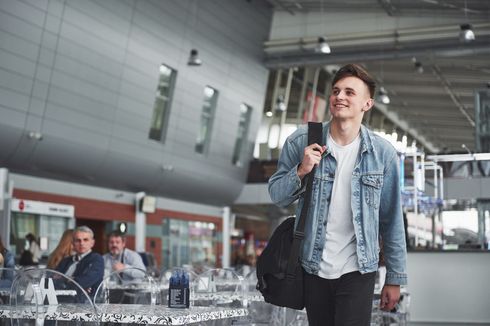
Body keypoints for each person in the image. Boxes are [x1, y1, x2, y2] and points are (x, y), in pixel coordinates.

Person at [268, 63, 407, 325]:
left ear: (367, 104)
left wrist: (395, 278)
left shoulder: (382, 154)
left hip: (358, 269)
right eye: (336, 91)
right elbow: (276, 195)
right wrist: (301, 170)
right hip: (312, 266)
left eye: (349, 92)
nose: (339, 96)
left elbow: (391, 221)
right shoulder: (301, 141)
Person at [56, 226, 104, 296]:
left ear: (92, 243)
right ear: (73, 243)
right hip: (59, 298)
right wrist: (71, 281)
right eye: (78, 240)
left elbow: (84, 282)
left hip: (85, 303)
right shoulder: (66, 260)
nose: (82, 243)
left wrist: (64, 280)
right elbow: (53, 280)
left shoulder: (96, 259)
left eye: (85, 240)